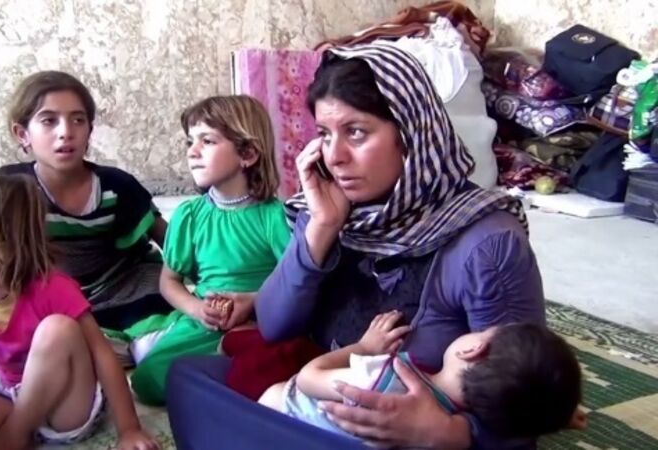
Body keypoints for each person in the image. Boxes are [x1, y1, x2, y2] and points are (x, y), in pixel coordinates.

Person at [167, 42, 546, 450]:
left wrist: (444, 433)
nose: (335, 157)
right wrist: (322, 228)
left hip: (397, 434)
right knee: (188, 379)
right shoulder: (330, 210)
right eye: (324, 135)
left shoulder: (487, 244)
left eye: (357, 132)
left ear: (410, 133)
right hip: (326, 391)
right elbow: (275, 327)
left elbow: (525, 402)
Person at [0, 174, 157, 450]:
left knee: (57, 329)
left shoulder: (53, 288)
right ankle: (11, 431)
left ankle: (16, 433)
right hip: (11, 395)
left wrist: (129, 429)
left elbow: (102, 355)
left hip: (66, 406)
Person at [122, 95, 291, 406]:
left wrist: (253, 302)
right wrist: (197, 309)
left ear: (248, 153)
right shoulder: (189, 216)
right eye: (190, 141)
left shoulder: (274, 217)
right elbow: (169, 281)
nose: (192, 151)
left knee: (280, 365)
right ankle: (221, 374)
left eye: (207, 141)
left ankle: (226, 374)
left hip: (260, 324)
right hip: (204, 323)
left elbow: (293, 282)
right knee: (147, 380)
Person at [0, 70, 170, 331]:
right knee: (46, 342)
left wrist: (214, 290)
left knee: (158, 343)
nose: (66, 132)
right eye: (49, 121)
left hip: (130, 289)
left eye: (78, 120)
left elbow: (173, 243)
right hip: (54, 301)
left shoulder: (116, 185)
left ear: (90, 130)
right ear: (22, 134)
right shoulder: (8, 189)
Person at [260, 311, 582, 444]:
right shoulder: (459, 423)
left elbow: (309, 378)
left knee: (273, 380)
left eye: (482, 330)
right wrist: (552, 412)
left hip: (279, 418)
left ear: (474, 349)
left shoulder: (384, 380)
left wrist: (364, 347)